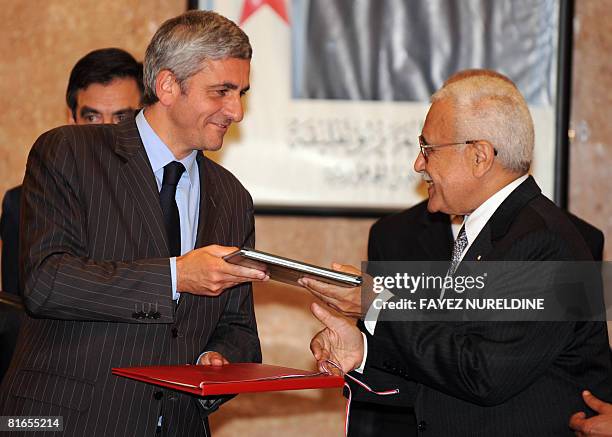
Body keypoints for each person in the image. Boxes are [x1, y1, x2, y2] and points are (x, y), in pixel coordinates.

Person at [0, 11, 267, 437]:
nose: (235, 110)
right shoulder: (69, 152)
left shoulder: (233, 197)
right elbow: (46, 281)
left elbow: (238, 328)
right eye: (221, 92)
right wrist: (177, 276)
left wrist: (214, 359)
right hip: (69, 421)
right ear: (166, 86)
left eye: (241, 93)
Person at [303, 69, 611, 436]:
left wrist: (378, 304)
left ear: (480, 156)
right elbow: (449, 371)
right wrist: (362, 352)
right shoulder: (491, 232)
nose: (419, 164)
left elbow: (483, 376)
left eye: (427, 148)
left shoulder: (543, 243)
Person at [0, 47, 143, 296]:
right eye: (92, 118)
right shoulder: (22, 204)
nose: (106, 132)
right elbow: (17, 318)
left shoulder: (169, 198)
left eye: (122, 118)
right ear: (71, 119)